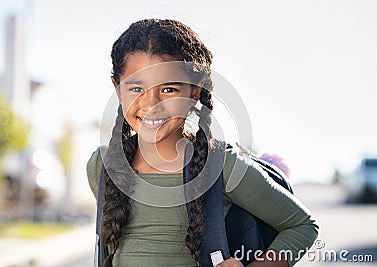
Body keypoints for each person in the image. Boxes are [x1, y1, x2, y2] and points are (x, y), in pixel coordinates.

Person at [87, 18, 319, 267]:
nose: (151, 104)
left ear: (195, 91)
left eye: (168, 90)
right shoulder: (103, 164)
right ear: (117, 87)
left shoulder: (223, 166)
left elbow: (302, 226)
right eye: (135, 89)